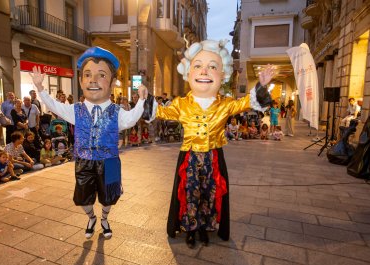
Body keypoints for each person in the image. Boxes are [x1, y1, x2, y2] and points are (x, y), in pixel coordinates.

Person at [140, 39, 273, 248]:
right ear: (188, 73)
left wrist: (262, 85)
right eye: (198, 66)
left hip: (213, 157)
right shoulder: (181, 104)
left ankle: (205, 227)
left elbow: (249, 102)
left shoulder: (226, 104)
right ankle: (190, 229)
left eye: (212, 67)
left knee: (210, 193)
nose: (204, 72)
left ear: (222, 75)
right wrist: (145, 99)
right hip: (190, 157)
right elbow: (159, 112)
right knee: (190, 192)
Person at [30, 46, 147, 240]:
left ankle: (105, 219)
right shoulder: (76, 110)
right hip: (84, 161)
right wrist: (41, 89)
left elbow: (131, 119)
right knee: (83, 199)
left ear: (112, 82)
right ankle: (91, 218)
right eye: (87, 74)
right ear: (81, 81)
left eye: (101, 75)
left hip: (109, 161)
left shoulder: (116, 111)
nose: (93, 80)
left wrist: (142, 101)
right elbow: (55, 106)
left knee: (109, 197)